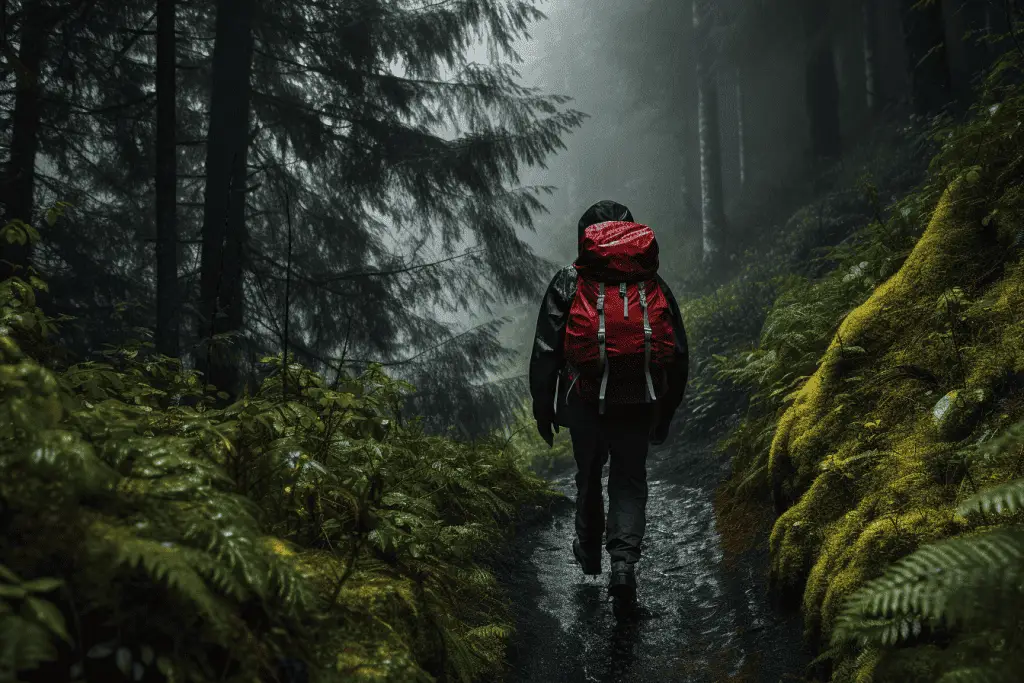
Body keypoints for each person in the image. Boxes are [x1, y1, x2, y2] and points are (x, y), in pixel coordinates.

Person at [528, 200, 688, 613]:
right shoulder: (651, 283)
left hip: (583, 400)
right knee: (629, 480)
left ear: (586, 237)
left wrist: (543, 407)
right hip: (639, 399)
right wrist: (665, 411)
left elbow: (547, 349)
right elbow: (678, 352)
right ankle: (623, 567)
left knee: (589, 475)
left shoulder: (570, 280)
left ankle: (588, 553)